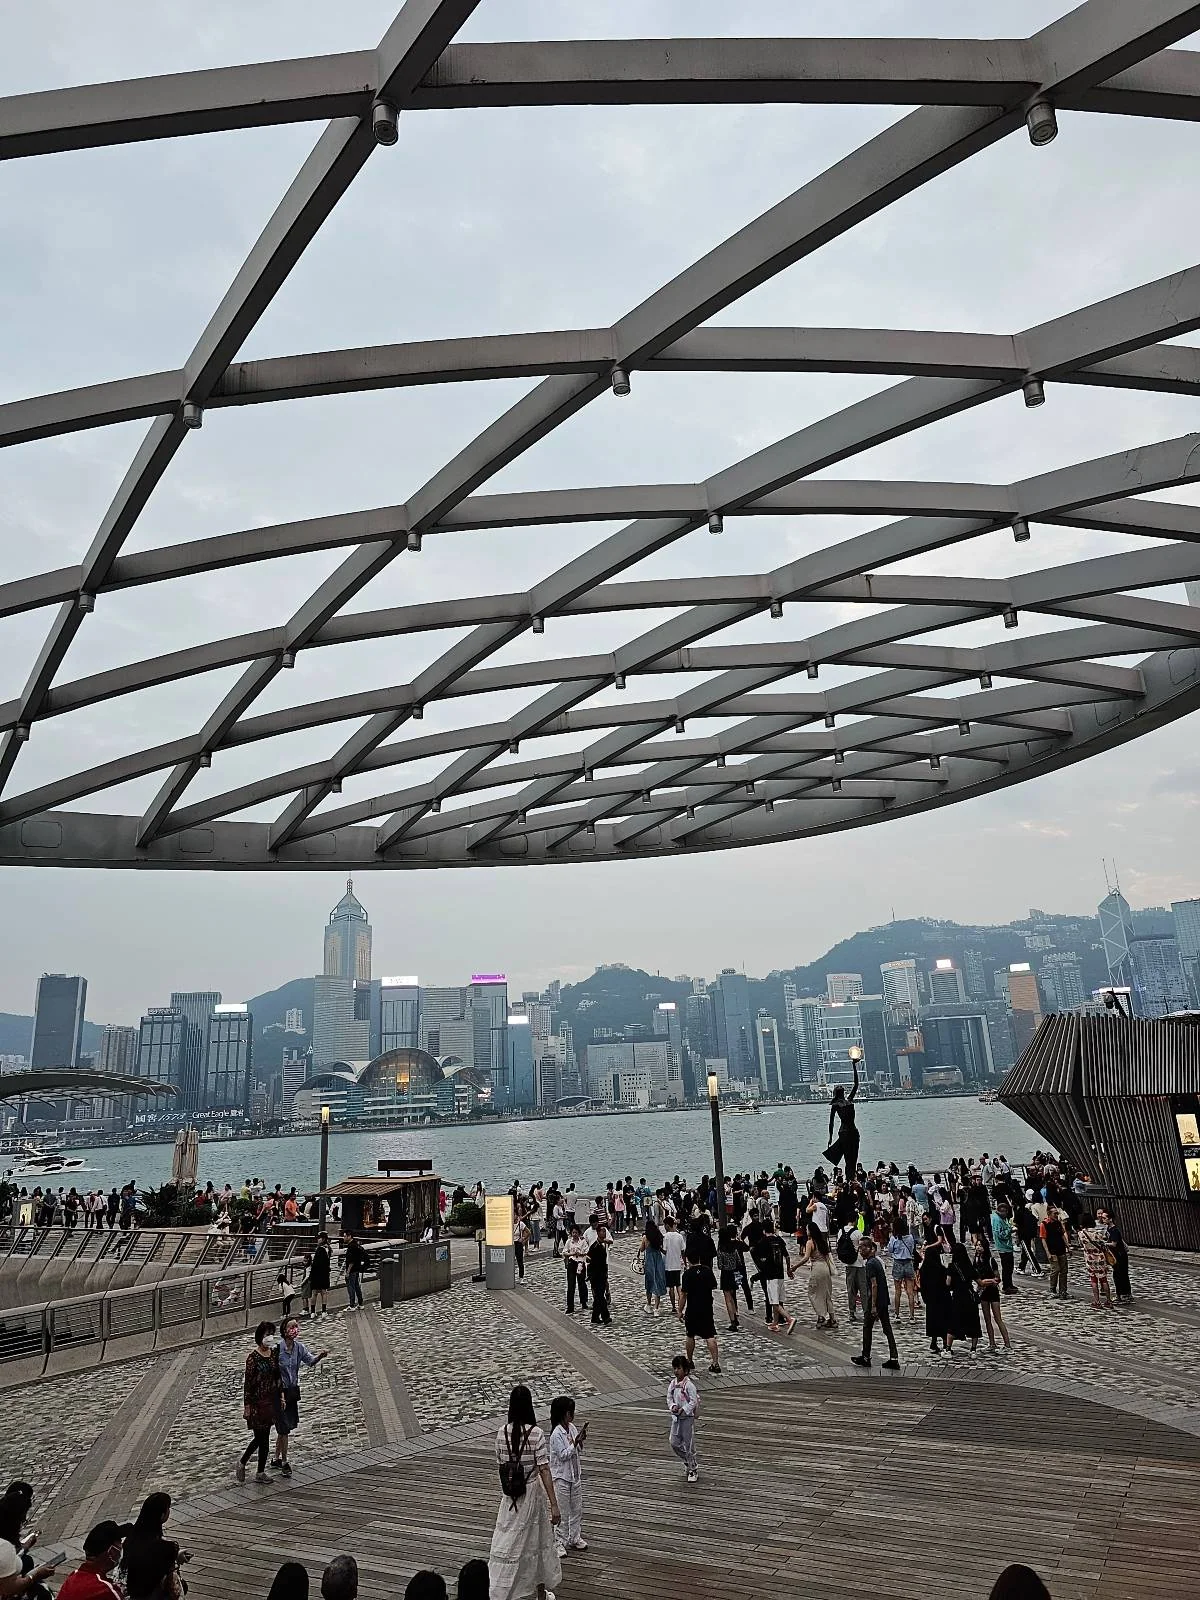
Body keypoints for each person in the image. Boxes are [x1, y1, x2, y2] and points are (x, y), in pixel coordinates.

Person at [488, 1385, 561, 1600]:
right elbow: (544, 1469)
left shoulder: (501, 1433)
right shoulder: (536, 1434)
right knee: (536, 1544)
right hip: (532, 1494)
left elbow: (501, 1464)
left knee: (508, 1542)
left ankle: (502, 1589)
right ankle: (539, 1594)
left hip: (511, 1496)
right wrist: (554, 1504)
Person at [272, 1319, 329, 1475]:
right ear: (284, 1331)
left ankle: (276, 1458)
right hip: (279, 1393)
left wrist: (320, 1356)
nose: (295, 1329)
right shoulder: (277, 1349)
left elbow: (310, 1361)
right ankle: (284, 1462)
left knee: (285, 1428)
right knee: (283, 1428)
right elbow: (272, 1373)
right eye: (292, 1327)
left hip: (292, 1392)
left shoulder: (299, 1348)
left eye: (296, 1326)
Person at [236, 1322, 282, 1484]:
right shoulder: (253, 1358)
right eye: (266, 1334)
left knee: (266, 1437)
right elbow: (248, 1384)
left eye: (271, 1333)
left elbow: (277, 1377)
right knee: (259, 1438)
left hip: (270, 1400)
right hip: (256, 1403)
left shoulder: (273, 1354)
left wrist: (280, 1396)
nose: (269, 1337)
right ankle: (242, 1462)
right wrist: (247, 1405)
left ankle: (260, 1471)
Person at [121, 1494, 189, 1600]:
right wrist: (175, 1559)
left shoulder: (130, 1539)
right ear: (162, 1515)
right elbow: (173, 1584)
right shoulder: (167, 1548)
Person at [851, 1236, 900, 1370]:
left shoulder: (871, 1264)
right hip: (883, 1300)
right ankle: (893, 1357)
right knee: (887, 1329)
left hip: (876, 1301)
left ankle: (866, 1356)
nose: (860, 1250)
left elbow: (874, 1285)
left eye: (862, 1247)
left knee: (867, 1327)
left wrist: (872, 1306)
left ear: (869, 1248)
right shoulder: (876, 1261)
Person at [548, 1396, 587, 1559]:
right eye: (570, 1412)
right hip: (562, 1477)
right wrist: (575, 1443)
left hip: (574, 1475)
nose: (572, 1415)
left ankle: (574, 1537)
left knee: (576, 1508)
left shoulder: (571, 1428)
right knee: (562, 1511)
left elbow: (577, 1449)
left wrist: (580, 1440)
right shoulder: (556, 1434)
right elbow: (563, 1455)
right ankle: (559, 1541)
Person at [0, 1490, 57, 1600]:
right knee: (42, 1592)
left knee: (27, 1560)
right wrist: (35, 1575)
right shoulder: (4, 1547)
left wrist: (25, 1548)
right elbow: (9, 1589)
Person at [56, 1521, 130, 1600]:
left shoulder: (72, 1577)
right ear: (112, 1551)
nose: (121, 1547)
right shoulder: (105, 1590)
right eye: (120, 1542)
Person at [679, 1255, 722, 1373]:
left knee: (690, 1334)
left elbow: (683, 1294)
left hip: (692, 1308)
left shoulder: (687, 1274)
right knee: (710, 1335)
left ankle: (690, 1360)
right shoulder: (707, 1271)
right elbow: (714, 1286)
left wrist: (679, 1310)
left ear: (688, 1259)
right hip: (706, 1307)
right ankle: (715, 1362)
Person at [667, 1354, 700, 1484]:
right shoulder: (673, 1384)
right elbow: (669, 1398)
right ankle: (687, 1460)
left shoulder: (689, 1385)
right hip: (676, 1418)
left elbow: (693, 1401)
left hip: (687, 1418)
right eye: (675, 1368)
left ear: (685, 1370)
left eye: (679, 1368)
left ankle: (693, 1468)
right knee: (674, 1442)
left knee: (689, 1443)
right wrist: (673, 1406)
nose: (676, 1371)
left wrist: (684, 1409)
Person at [823, 1058, 860, 1174]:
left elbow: (856, 1084)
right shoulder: (835, 1105)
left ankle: (852, 1177)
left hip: (853, 1131)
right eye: (838, 1088)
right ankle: (849, 1179)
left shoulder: (849, 1100)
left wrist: (854, 1066)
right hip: (844, 1132)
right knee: (848, 1159)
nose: (840, 1088)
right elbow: (831, 1122)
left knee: (854, 1158)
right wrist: (830, 1137)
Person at [973, 1238, 1011, 1353]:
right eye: (977, 1245)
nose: (978, 1247)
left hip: (992, 1292)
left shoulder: (990, 1260)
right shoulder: (975, 1260)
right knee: (987, 1319)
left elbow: (997, 1278)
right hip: (983, 1292)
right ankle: (992, 1343)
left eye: (980, 1245)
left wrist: (987, 1281)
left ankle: (1007, 1345)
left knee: (997, 1318)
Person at [800, 1221, 837, 1329]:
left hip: (817, 1269)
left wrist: (795, 1267)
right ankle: (832, 1319)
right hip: (825, 1268)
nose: (806, 1231)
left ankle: (821, 1315)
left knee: (813, 1293)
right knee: (827, 1294)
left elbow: (806, 1258)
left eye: (807, 1229)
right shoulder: (822, 1241)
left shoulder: (810, 1242)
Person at [948, 1240, 982, 1355]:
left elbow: (948, 1283)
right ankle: (973, 1349)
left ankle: (948, 1348)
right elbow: (980, 1282)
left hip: (958, 1297)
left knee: (954, 1322)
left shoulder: (952, 1266)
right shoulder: (969, 1266)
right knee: (974, 1322)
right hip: (969, 1296)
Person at [919, 1237, 951, 1356]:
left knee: (932, 1321)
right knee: (943, 1321)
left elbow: (922, 1284)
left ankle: (933, 1342)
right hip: (942, 1299)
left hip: (930, 1299)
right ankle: (944, 1343)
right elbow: (947, 1284)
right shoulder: (940, 1268)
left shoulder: (924, 1269)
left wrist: (925, 1297)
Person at [884, 1215, 918, 1320]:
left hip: (898, 1263)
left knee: (898, 1291)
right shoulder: (910, 1237)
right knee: (910, 1291)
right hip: (908, 1263)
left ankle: (897, 1314)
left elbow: (890, 1250)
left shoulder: (894, 1238)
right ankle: (912, 1316)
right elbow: (912, 1249)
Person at [1079, 1217, 1114, 1310]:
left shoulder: (1081, 1233)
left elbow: (1081, 1244)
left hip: (1089, 1258)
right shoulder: (1097, 1233)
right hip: (1100, 1257)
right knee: (1104, 1280)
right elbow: (1103, 1243)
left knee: (1093, 1280)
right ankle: (1108, 1300)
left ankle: (1097, 1301)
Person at [1098, 1208, 1133, 1303]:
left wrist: (1104, 1243)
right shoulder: (1109, 1228)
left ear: (1110, 1219)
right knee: (1118, 1274)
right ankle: (1123, 1294)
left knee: (1120, 1274)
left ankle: (1123, 1294)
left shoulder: (1114, 1230)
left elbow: (1114, 1243)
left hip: (1120, 1255)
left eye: (1105, 1218)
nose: (1103, 1220)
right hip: (1115, 1254)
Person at [1040, 1204, 1070, 1300]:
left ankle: (1063, 1290)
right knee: (1055, 1269)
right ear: (1049, 1213)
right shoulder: (1044, 1224)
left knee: (1064, 1271)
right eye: (1054, 1213)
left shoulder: (1058, 1223)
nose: (1056, 1215)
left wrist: (1068, 1246)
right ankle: (1052, 1289)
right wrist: (1047, 1252)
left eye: (1057, 1213)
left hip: (1061, 1249)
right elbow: (1043, 1239)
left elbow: (1062, 1235)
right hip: (1052, 1250)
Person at [640, 1216, 667, 1316]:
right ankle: (656, 1307)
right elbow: (660, 1248)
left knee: (650, 1283)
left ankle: (648, 1304)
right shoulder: (658, 1236)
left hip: (649, 1260)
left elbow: (642, 1249)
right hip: (658, 1259)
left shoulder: (646, 1237)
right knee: (658, 1281)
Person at [587, 1224, 611, 1326]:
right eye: (602, 1231)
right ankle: (606, 1316)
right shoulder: (595, 1246)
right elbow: (588, 1258)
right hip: (596, 1276)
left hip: (602, 1274)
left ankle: (595, 1317)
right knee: (600, 1297)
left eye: (605, 1231)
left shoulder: (603, 1245)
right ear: (597, 1233)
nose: (604, 1233)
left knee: (598, 1297)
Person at [991, 1201, 1017, 1295]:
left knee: (1009, 1268)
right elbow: (1001, 1234)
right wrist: (1010, 1230)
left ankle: (1009, 1284)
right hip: (1004, 1247)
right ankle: (1006, 1286)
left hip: (1006, 1246)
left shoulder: (999, 1218)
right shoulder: (997, 1220)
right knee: (1007, 1268)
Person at [662, 1217, 685, 1316]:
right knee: (678, 1285)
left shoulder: (665, 1236)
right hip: (677, 1264)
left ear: (667, 1225)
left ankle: (673, 1306)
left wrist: (659, 1249)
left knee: (670, 1287)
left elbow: (665, 1250)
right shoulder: (679, 1236)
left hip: (668, 1264)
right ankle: (681, 1305)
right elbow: (683, 1250)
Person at [563, 1226, 588, 1314]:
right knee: (571, 1285)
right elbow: (564, 1252)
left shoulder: (583, 1242)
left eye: (576, 1233)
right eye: (573, 1233)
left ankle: (584, 1302)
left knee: (582, 1283)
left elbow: (586, 1251)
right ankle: (570, 1306)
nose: (574, 1234)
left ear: (579, 1233)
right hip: (572, 1263)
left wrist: (581, 1253)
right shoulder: (569, 1242)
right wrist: (572, 1253)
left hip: (581, 1263)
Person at [309, 1234, 331, 1318]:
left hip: (316, 1273)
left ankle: (313, 1312)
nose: (318, 1240)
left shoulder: (319, 1249)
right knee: (323, 1292)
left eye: (319, 1238)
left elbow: (315, 1264)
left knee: (314, 1293)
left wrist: (311, 1275)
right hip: (325, 1273)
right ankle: (324, 1311)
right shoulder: (328, 1249)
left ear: (323, 1239)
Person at [343, 1234, 368, 1311]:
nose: (343, 1238)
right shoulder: (356, 1245)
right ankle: (360, 1304)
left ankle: (352, 1305)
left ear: (349, 1236)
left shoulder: (351, 1247)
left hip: (352, 1270)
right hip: (357, 1269)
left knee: (351, 1287)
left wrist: (347, 1272)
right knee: (357, 1286)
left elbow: (351, 1261)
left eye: (344, 1236)